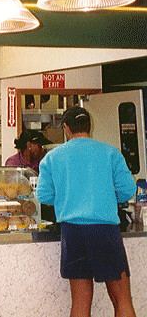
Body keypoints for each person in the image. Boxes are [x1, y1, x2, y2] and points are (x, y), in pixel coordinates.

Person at [36, 106, 137, 317]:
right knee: (121, 299)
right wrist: (108, 199)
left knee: (80, 302)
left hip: (72, 232)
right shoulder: (110, 152)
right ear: (90, 126)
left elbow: (44, 196)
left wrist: (67, 199)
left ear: (66, 128)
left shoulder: (52, 158)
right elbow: (128, 189)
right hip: (105, 230)